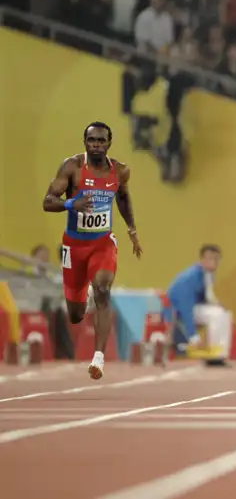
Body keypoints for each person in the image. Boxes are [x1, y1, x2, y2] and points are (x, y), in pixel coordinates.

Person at [42, 122, 143, 379]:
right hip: (74, 245)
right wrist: (71, 204)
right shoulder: (72, 167)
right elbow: (48, 202)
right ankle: (83, 292)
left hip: (102, 243)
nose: (96, 144)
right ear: (84, 142)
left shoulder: (120, 170)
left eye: (101, 140)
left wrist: (132, 229)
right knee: (76, 316)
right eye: (91, 140)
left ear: (109, 143)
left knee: (103, 290)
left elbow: (123, 197)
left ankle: (98, 358)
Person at [165, 244, 234, 366]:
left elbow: (207, 297)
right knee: (217, 315)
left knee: (225, 313)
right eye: (210, 259)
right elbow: (185, 307)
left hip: (194, 307)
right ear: (202, 260)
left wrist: (218, 303)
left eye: (216, 259)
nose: (214, 262)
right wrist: (193, 335)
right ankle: (214, 355)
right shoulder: (190, 278)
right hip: (175, 311)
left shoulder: (208, 274)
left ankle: (220, 354)